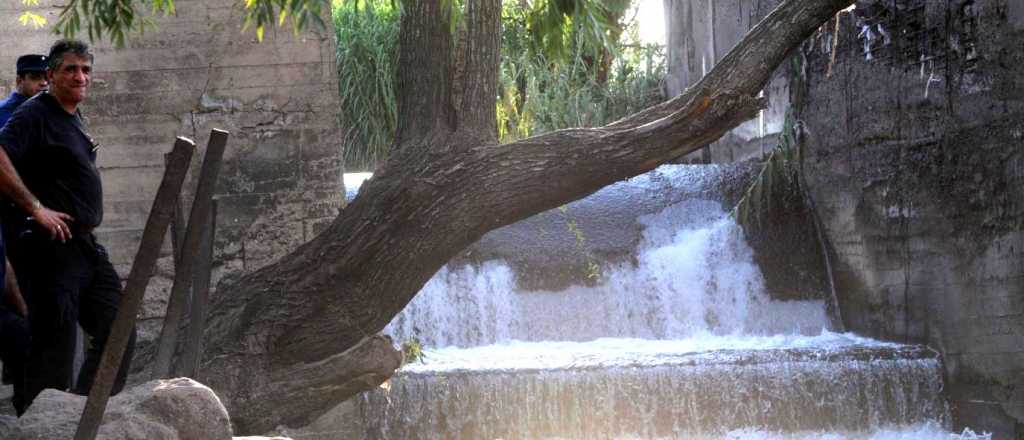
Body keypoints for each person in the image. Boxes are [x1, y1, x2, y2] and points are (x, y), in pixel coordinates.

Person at [0, 39, 136, 413]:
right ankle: (42, 427)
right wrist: (36, 207)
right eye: (71, 69)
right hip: (50, 250)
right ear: (50, 75)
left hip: (85, 247)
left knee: (119, 329)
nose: (80, 77)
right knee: (53, 352)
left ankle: (83, 417)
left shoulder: (72, 116)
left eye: (86, 70)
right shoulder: (34, 114)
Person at [0, 53, 47, 415]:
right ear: (20, 80)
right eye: (34, 78)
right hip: (14, 218)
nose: (41, 84)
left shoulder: (46, 113)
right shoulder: (11, 115)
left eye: (44, 77)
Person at [0, 54, 48, 128]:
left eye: (47, 78)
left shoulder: (52, 110)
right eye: (35, 78)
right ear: (19, 81)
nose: (44, 83)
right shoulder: (3, 111)